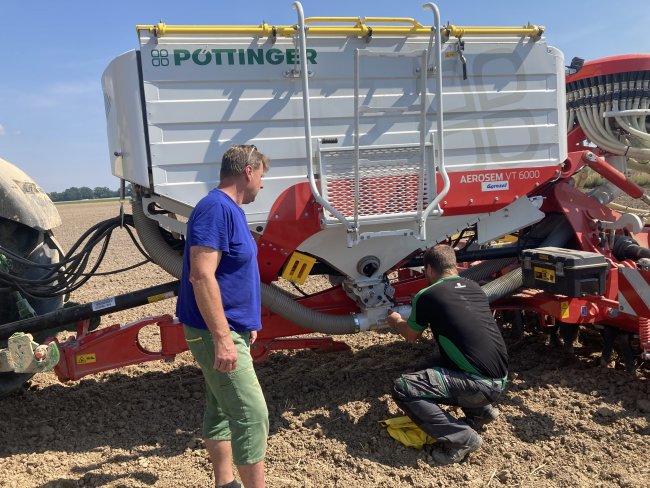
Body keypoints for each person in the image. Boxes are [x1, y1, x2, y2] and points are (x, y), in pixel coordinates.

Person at [176, 144, 270, 488]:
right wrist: (222, 337)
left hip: (232, 328)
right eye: (261, 175)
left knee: (220, 409)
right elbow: (201, 275)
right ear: (248, 171)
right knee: (251, 415)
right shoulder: (215, 209)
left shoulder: (232, 210)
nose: (262, 183)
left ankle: (224, 483)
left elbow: (234, 273)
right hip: (216, 331)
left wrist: (248, 324)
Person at [386, 244, 508, 465]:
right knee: (421, 368)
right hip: (499, 375)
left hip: (480, 383)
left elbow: (411, 336)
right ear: (453, 265)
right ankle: (481, 412)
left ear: (430, 269)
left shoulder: (427, 295)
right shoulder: (474, 287)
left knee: (403, 388)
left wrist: (396, 322)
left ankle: (463, 439)